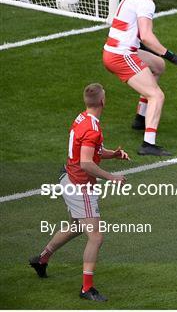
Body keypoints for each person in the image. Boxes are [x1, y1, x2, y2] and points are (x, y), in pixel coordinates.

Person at [29, 83, 129, 302]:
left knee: (76, 226)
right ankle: (86, 289)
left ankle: (42, 259)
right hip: (80, 185)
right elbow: (86, 163)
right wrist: (112, 177)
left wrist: (114, 155)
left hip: (69, 178)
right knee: (96, 236)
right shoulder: (92, 128)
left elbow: (91, 151)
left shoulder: (82, 118)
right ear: (103, 101)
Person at [103, 0, 177, 156]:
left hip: (118, 50)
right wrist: (173, 57)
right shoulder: (144, 1)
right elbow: (147, 37)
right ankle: (148, 144)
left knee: (157, 65)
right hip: (121, 55)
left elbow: (136, 35)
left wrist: (163, 58)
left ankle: (141, 118)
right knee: (156, 95)